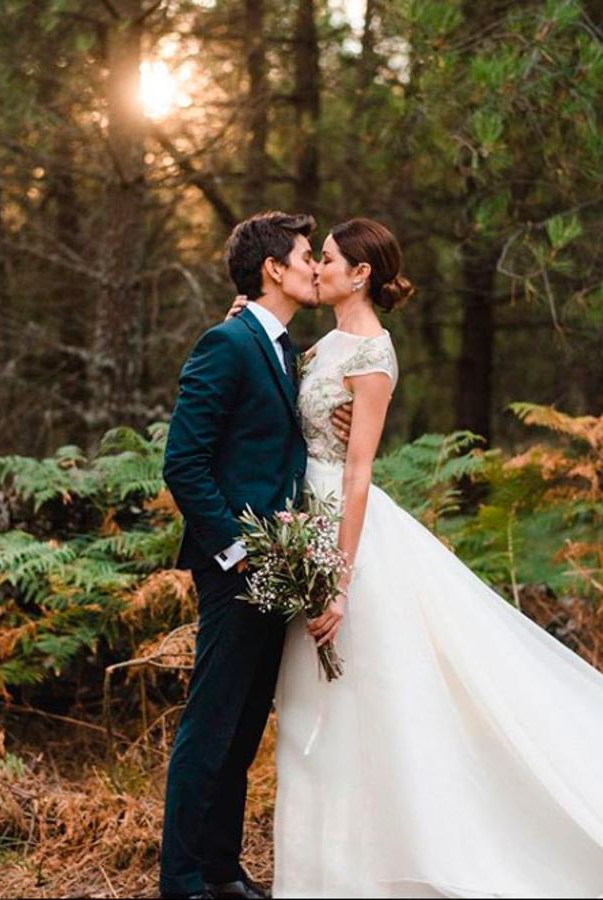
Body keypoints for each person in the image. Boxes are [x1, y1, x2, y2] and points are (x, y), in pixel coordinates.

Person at [229, 217, 603, 899]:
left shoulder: (373, 354)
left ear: (359, 273)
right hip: (300, 514)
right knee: (316, 699)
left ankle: (368, 867)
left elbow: (359, 471)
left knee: (352, 694)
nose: (318, 268)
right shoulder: (323, 344)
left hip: (343, 530)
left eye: (329, 258)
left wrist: (337, 578)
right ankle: (322, 870)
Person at [159, 210, 347, 900]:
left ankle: (221, 870)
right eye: (305, 254)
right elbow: (183, 464)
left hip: (279, 566)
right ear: (273, 268)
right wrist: (238, 554)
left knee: (241, 729)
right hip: (237, 567)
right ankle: (179, 881)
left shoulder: (278, 346)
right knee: (210, 726)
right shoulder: (227, 343)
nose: (314, 266)